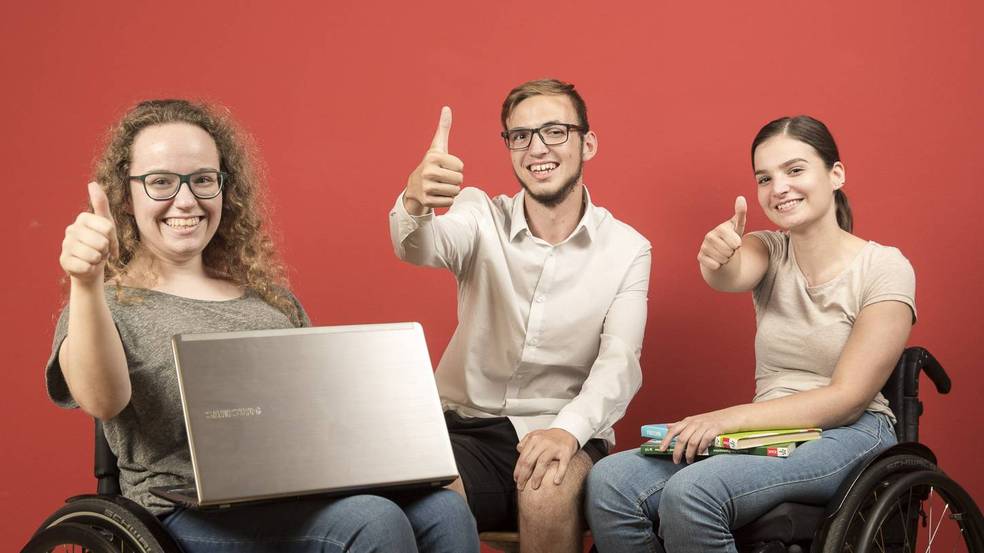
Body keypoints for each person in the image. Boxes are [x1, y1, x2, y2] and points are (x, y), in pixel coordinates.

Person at [48, 99, 478, 553]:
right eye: (160, 183)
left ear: (223, 187)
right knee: (371, 520)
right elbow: (102, 399)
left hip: (296, 493)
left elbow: (321, 413)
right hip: (178, 514)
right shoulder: (107, 302)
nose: (186, 199)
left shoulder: (269, 299)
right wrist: (87, 282)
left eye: (203, 180)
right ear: (125, 195)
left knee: (443, 511)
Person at [585, 115, 915, 552]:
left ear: (836, 174)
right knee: (610, 482)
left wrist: (722, 420)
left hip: (852, 431)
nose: (778, 187)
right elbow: (732, 271)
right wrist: (716, 257)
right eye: (765, 177)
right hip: (769, 430)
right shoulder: (769, 249)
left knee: (694, 492)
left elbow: (847, 397)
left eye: (795, 170)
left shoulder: (885, 267)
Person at [389, 79, 651, 552]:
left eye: (555, 131)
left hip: (564, 425)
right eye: (521, 136)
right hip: (468, 430)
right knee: (426, 498)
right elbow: (419, 246)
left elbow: (620, 363)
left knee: (547, 490)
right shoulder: (478, 214)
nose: (537, 148)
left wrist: (567, 432)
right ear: (509, 147)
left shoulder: (628, 249)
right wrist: (414, 201)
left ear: (587, 143)